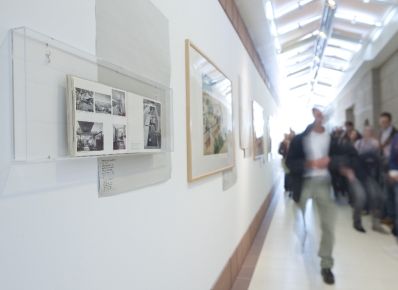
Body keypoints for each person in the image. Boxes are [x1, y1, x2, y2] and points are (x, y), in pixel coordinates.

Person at [286, 107, 339, 285]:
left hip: (324, 183)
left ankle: (326, 264)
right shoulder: (301, 138)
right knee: (298, 214)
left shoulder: (333, 139)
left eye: (323, 113)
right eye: (317, 112)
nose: (320, 116)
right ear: (313, 115)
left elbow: (345, 156)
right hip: (305, 183)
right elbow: (290, 162)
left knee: (328, 224)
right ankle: (303, 234)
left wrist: (333, 162)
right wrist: (310, 163)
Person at [355, 126, 388, 233]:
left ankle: (375, 222)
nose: (367, 133)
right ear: (363, 132)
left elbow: (380, 157)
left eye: (370, 131)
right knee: (367, 197)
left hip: (373, 174)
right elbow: (354, 158)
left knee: (379, 197)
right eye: (366, 131)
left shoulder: (375, 143)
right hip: (361, 175)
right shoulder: (358, 144)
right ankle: (360, 221)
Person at [379, 112, 398, 227]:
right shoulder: (381, 133)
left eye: (385, 122)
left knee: (395, 193)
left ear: (390, 121)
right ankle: (390, 216)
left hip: (394, 167)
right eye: (381, 122)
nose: (383, 124)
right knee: (387, 192)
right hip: (385, 164)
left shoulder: (395, 133)